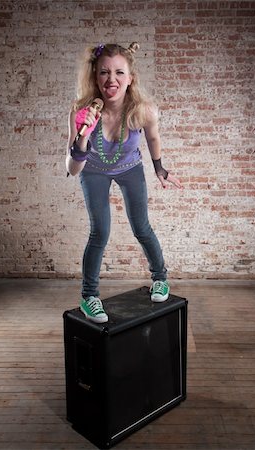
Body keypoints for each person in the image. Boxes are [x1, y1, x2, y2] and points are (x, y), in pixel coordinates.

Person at [66, 42, 182, 324]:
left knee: (141, 226)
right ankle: (89, 297)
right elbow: (72, 169)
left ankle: (160, 278)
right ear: (96, 77)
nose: (111, 79)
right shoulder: (80, 112)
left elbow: (153, 138)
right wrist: (84, 135)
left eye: (119, 72)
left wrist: (159, 168)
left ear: (130, 78)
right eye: (104, 72)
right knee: (100, 232)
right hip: (93, 170)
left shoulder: (143, 110)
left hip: (130, 169)